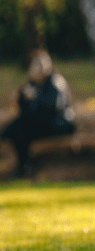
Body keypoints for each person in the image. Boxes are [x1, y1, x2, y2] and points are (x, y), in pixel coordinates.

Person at [1, 48, 76, 177]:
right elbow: (23, 110)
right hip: (42, 124)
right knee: (19, 130)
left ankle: (24, 167)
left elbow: (53, 108)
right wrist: (21, 98)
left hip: (60, 123)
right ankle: (23, 166)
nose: (41, 67)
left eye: (43, 62)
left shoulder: (55, 82)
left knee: (19, 129)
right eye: (37, 64)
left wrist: (34, 98)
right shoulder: (33, 85)